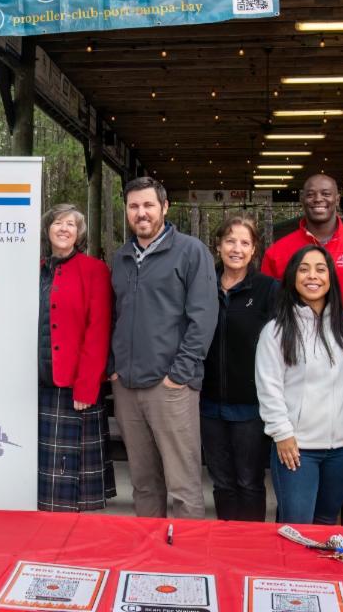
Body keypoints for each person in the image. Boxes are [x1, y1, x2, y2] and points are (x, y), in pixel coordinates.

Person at [110, 177, 217, 519]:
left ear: (165, 207)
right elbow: (114, 315)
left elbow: (203, 318)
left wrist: (179, 375)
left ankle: (187, 550)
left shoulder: (190, 251)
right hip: (127, 386)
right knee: (143, 483)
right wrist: (114, 368)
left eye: (148, 205)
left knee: (183, 486)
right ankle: (149, 547)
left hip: (170, 387)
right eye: (134, 206)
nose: (141, 213)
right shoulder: (121, 257)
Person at [256, 245, 343, 525]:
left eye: (320, 269)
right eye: (304, 269)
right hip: (297, 448)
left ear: (331, 278)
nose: (312, 276)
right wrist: (282, 434)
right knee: (297, 525)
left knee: (325, 522)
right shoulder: (276, 331)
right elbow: (269, 388)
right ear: (292, 277)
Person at [36, 204, 116, 512]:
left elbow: (98, 331)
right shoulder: (36, 269)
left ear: (78, 232)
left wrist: (87, 386)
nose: (64, 229)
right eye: (58, 223)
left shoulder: (95, 270)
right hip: (39, 382)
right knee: (41, 473)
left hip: (74, 385)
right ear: (48, 230)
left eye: (70, 224)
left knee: (70, 478)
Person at [200, 216, 277, 521]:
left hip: (250, 407)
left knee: (249, 481)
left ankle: (251, 542)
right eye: (230, 241)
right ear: (218, 246)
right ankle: (225, 538)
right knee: (222, 483)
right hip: (208, 404)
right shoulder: (202, 286)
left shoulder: (268, 289)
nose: (237, 249)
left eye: (245, 242)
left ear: (254, 249)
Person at [261, 174, 343, 313]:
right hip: (293, 327)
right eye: (310, 195)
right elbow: (267, 304)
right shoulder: (276, 252)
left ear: (337, 199)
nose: (318, 199)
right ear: (302, 200)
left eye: (326, 194)